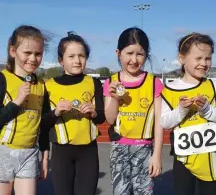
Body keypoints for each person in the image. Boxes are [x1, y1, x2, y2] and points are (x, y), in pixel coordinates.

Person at [160, 32, 216, 195]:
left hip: (209, 158)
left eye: (207, 58)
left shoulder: (215, 87)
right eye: (198, 58)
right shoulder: (169, 90)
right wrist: (181, 110)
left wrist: (207, 110)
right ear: (181, 58)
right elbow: (165, 122)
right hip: (183, 158)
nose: (204, 63)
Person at [42, 32, 105, 195]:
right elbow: (42, 123)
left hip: (88, 151)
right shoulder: (49, 86)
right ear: (61, 60)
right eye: (71, 56)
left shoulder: (94, 83)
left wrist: (93, 113)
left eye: (82, 56)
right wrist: (56, 112)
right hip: (61, 152)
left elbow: (101, 118)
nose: (77, 60)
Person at [103, 27, 164, 195]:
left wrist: (157, 155)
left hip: (144, 148)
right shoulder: (111, 81)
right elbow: (109, 119)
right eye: (129, 53)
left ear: (146, 55)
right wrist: (114, 97)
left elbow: (159, 122)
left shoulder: (154, 83)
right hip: (119, 148)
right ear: (118, 53)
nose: (134, 59)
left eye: (140, 54)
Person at [0, 25, 50, 195]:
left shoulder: (42, 85)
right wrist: (17, 102)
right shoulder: (3, 79)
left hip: (30, 154)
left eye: (38, 54)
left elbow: (43, 125)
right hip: (3, 152)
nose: (33, 58)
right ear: (13, 51)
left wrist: (44, 156)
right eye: (27, 53)